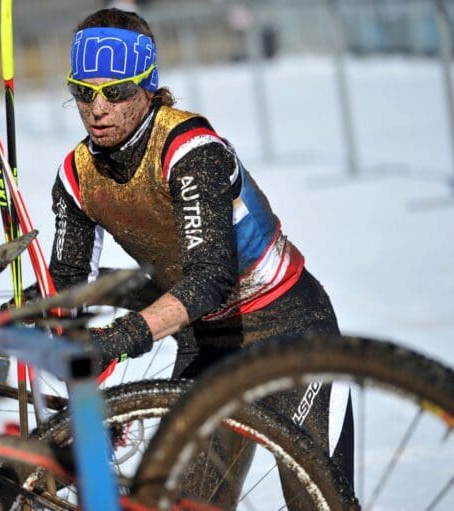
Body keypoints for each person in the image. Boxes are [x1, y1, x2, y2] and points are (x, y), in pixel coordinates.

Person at [47, 7, 354, 507]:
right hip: (205, 343)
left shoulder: (190, 149)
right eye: (84, 92)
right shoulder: (77, 175)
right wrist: (74, 390)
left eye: (117, 91)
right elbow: (67, 290)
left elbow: (211, 277)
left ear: (148, 87)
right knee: (187, 503)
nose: (97, 108)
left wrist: (120, 339)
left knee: (318, 502)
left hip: (290, 330)